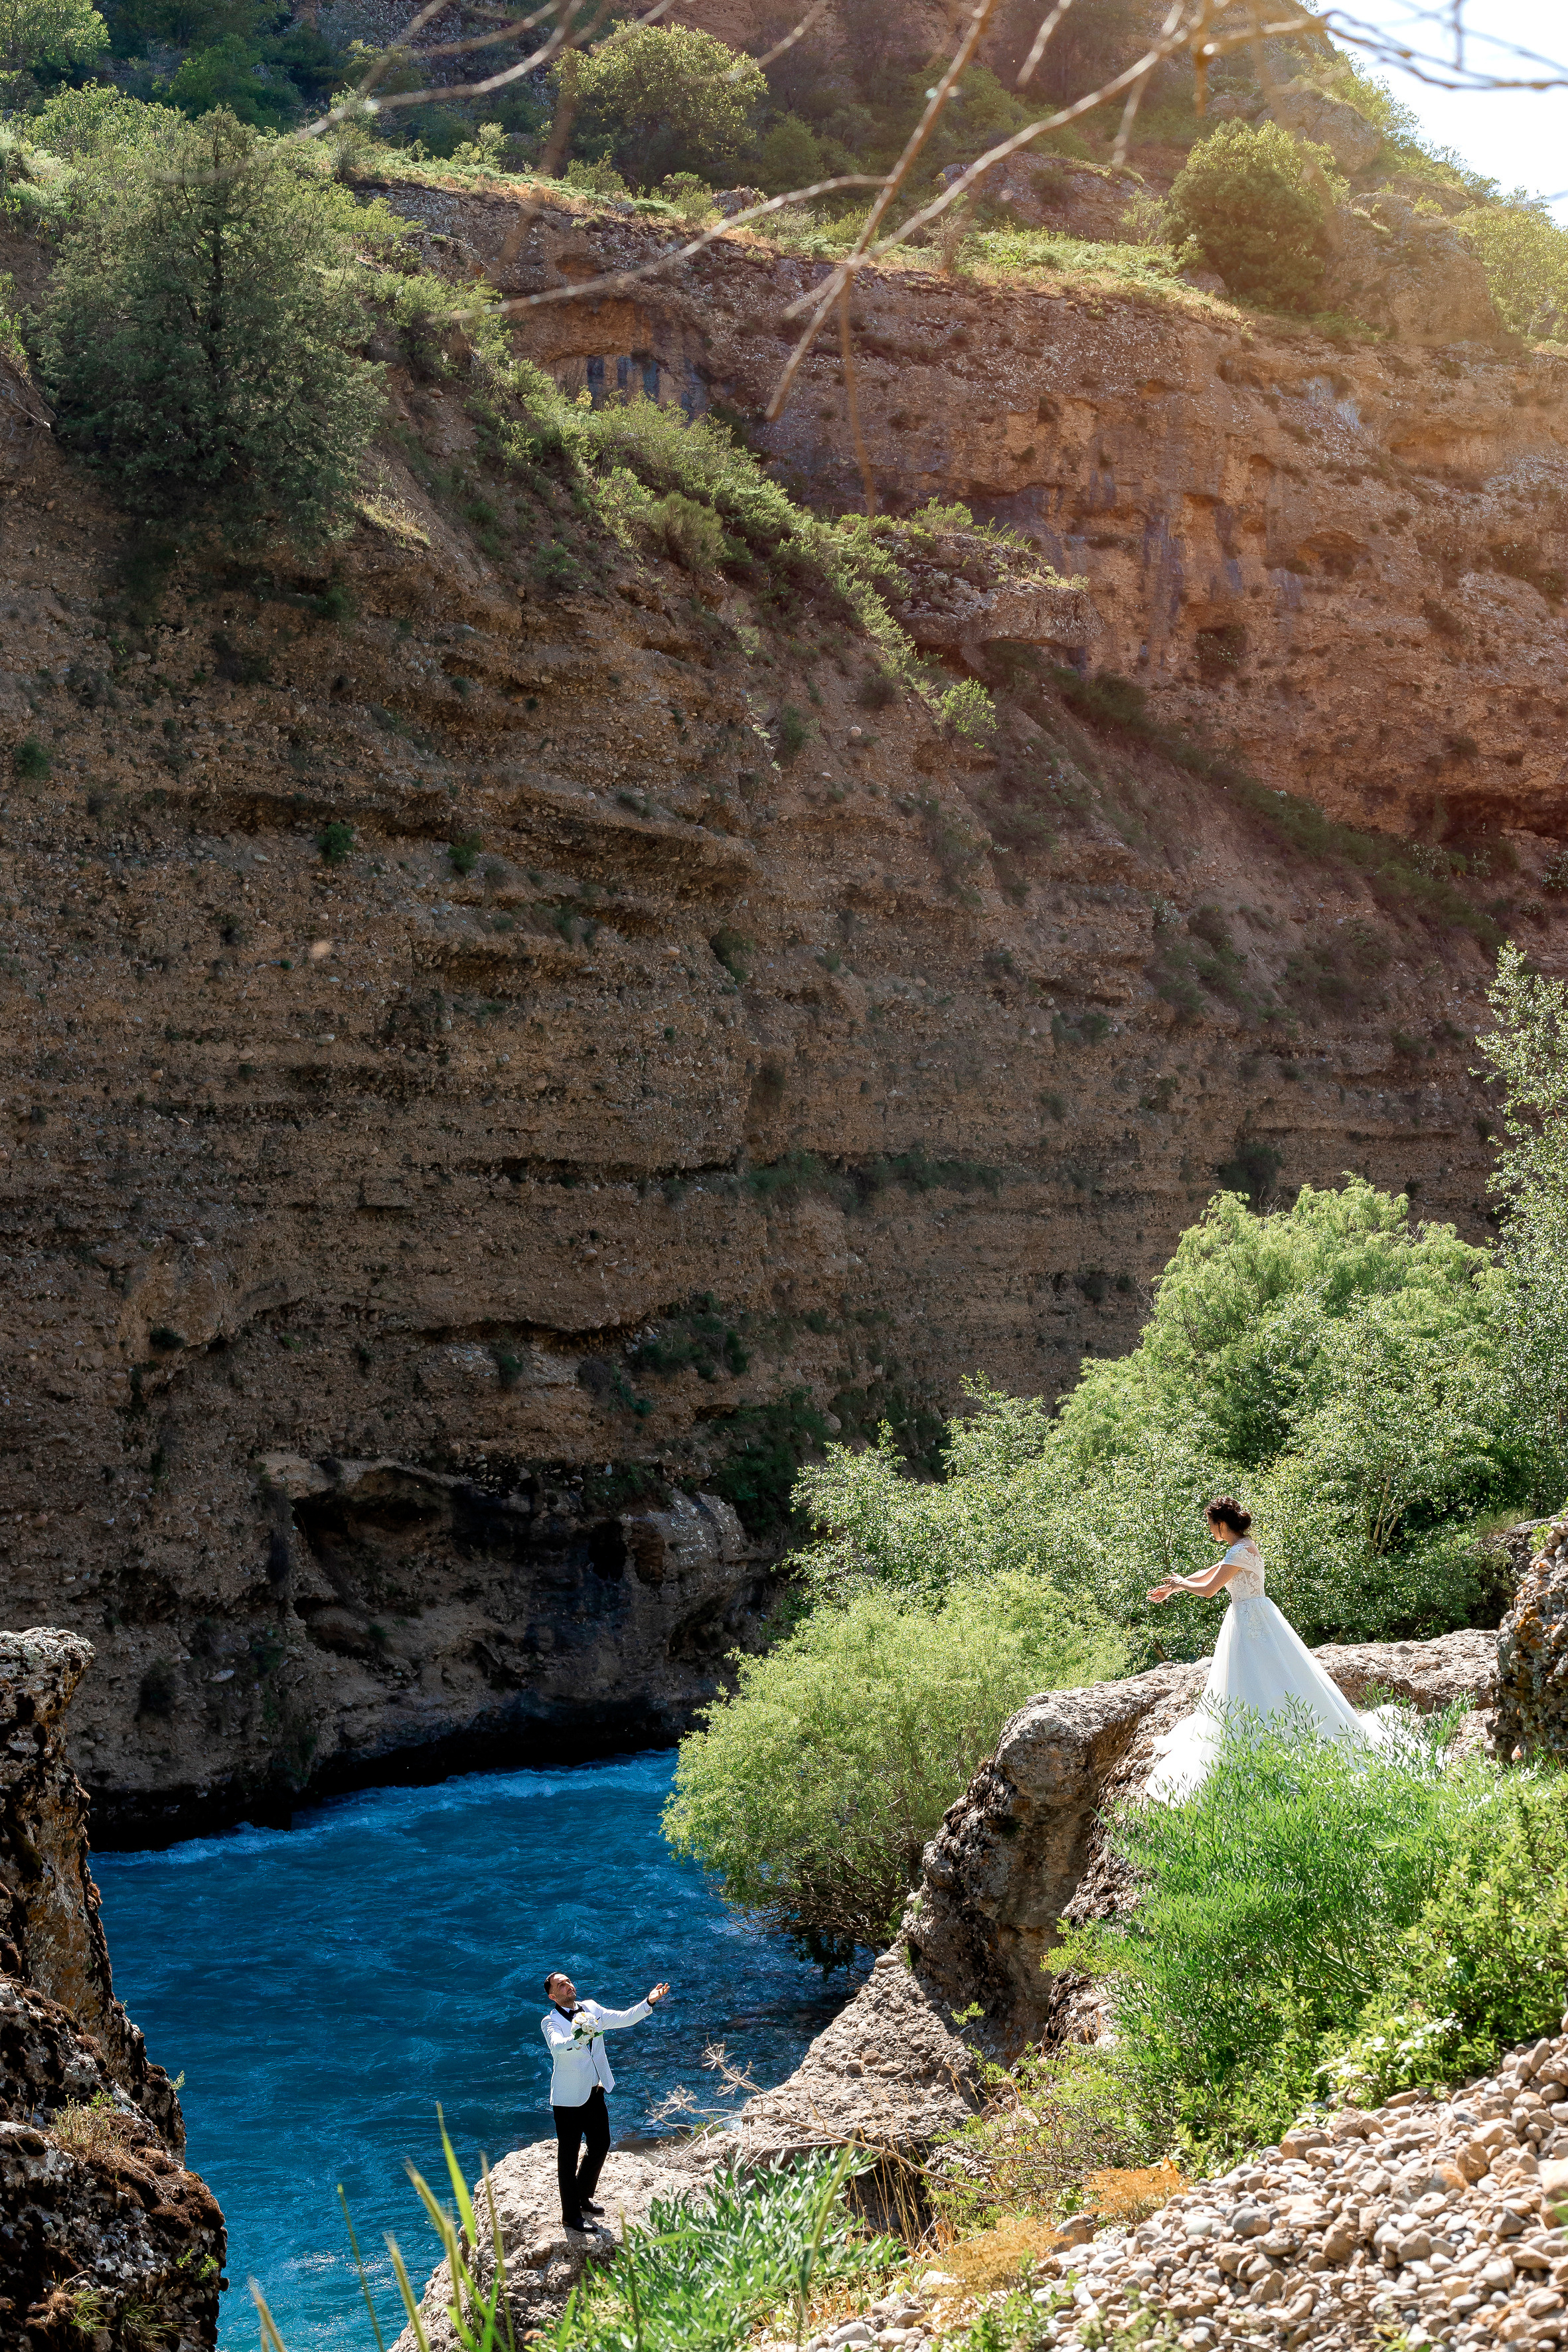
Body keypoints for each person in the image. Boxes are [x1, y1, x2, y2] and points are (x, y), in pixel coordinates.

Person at [1142, 1496, 1395, 1802]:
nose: (1210, 1530)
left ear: (1221, 1524)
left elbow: (1209, 1589)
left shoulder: (1240, 1551)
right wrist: (1176, 1584)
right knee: (1261, 1674)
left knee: (1257, 1674)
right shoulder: (1242, 1547)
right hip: (1253, 1616)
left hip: (1249, 1620)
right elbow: (1210, 1571)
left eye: (1211, 1524)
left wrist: (1182, 1585)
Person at [542, 1970, 670, 2233]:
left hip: (595, 2090)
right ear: (553, 1996)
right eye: (561, 1985)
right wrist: (580, 2036)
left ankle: (583, 2195)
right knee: (568, 2157)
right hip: (568, 2100)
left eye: (568, 1981)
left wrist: (649, 2002)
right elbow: (557, 2047)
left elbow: (623, 2018)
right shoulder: (550, 2021)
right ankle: (570, 2216)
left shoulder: (592, 2008)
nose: (568, 1985)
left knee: (601, 2144)